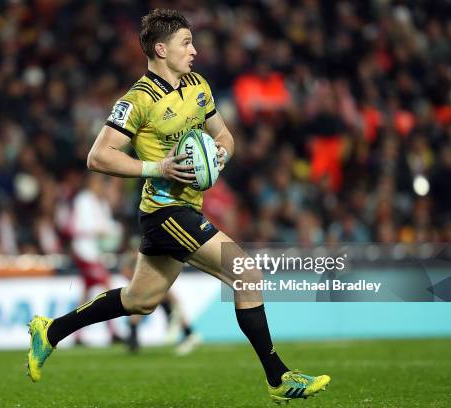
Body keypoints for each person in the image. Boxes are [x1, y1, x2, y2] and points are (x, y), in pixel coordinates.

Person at [27, 9, 330, 402]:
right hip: (165, 212)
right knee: (247, 273)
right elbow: (98, 156)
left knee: (141, 301)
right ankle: (279, 378)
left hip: (187, 210)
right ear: (160, 48)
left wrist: (220, 154)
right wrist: (158, 167)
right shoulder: (138, 100)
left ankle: (50, 331)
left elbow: (224, 135)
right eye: (186, 43)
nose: (195, 50)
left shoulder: (198, 85)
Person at [69, 172, 123, 345]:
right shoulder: (83, 200)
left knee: (85, 295)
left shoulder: (100, 203)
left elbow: (107, 225)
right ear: (92, 183)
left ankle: (76, 335)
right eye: (99, 183)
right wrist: (103, 230)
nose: (101, 187)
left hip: (94, 252)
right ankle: (113, 330)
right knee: (107, 287)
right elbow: (78, 227)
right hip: (84, 251)